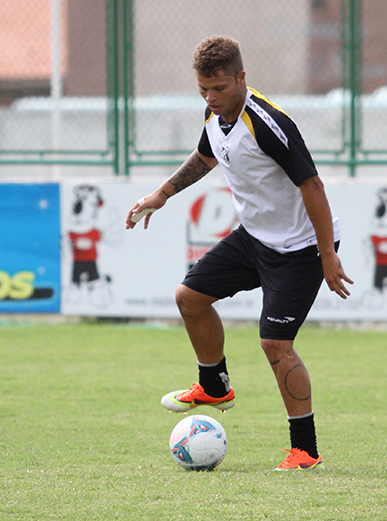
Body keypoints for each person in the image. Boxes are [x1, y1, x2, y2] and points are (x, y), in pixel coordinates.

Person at [126, 36, 353, 471]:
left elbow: (313, 185)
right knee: (189, 297)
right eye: (203, 90)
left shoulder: (268, 123)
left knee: (275, 343)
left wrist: (327, 254)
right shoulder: (215, 115)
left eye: (219, 88)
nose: (211, 97)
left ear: (241, 77)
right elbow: (205, 156)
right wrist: (162, 194)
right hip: (255, 238)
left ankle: (305, 450)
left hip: (301, 248)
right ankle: (215, 386)